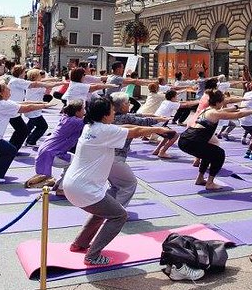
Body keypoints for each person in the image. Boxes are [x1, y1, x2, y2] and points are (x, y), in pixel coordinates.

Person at [63, 97, 169, 266]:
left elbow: (124, 127)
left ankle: (80, 244)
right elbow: (133, 132)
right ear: (105, 115)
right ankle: (93, 256)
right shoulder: (104, 131)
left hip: (73, 184)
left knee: (102, 212)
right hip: (83, 188)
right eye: (112, 110)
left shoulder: (91, 126)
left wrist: (154, 126)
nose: (114, 112)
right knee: (119, 215)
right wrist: (158, 129)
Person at [0, 81, 55, 188]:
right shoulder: (5, 104)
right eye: (8, 89)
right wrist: (45, 106)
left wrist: (41, 103)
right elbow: (28, 107)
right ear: (2, 93)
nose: (10, 90)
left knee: (5, 150)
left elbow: (24, 103)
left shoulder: (2, 103)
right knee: (11, 150)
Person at [178, 91, 252, 190]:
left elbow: (225, 110)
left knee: (209, 153)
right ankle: (210, 183)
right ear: (217, 103)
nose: (223, 103)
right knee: (219, 154)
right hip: (192, 142)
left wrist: (236, 107)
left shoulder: (207, 109)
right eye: (222, 102)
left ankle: (200, 179)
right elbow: (238, 115)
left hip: (185, 139)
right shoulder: (214, 113)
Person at [109, 93, 172, 203]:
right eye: (128, 103)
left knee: (116, 185)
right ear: (123, 106)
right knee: (129, 184)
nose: (130, 104)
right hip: (116, 158)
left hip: (108, 156)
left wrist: (156, 117)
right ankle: (116, 211)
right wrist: (159, 121)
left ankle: (108, 208)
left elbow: (140, 116)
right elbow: (143, 121)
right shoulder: (126, 118)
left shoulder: (112, 116)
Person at [27, 100, 86, 188]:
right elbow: (90, 121)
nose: (84, 112)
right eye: (83, 109)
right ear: (77, 112)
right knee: (77, 163)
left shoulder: (66, 118)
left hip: (47, 150)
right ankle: (61, 188)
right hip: (51, 153)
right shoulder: (74, 122)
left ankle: (58, 184)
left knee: (72, 161)